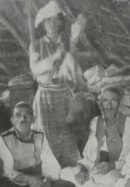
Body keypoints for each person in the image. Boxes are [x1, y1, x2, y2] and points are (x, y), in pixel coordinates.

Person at [29, 1, 85, 167]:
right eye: (49, 20)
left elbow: (75, 72)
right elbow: (35, 70)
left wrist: (72, 47)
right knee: (45, 134)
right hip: (45, 95)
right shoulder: (36, 45)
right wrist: (54, 57)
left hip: (63, 94)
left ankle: (69, 170)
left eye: (56, 20)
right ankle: (48, 170)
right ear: (43, 24)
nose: (53, 24)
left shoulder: (68, 43)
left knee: (66, 133)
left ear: (61, 23)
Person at [60, 85, 130, 187]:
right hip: (96, 170)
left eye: (113, 101)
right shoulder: (96, 122)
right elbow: (89, 153)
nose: (109, 106)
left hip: (117, 170)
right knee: (65, 173)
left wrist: (113, 165)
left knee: (111, 180)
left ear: (119, 104)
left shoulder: (129, 123)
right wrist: (84, 169)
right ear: (101, 104)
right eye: (105, 101)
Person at [0, 101, 77, 187]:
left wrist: (47, 181)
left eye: (27, 115)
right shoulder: (4, 138)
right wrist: (27, 179)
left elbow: (50, 164)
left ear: (33, 119)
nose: (22, 119)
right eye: (18, 115)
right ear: (12, 120)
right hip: (18, 182)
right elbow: (6, 170)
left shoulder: (40, 136)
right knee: (3, 184)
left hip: (39, 181)